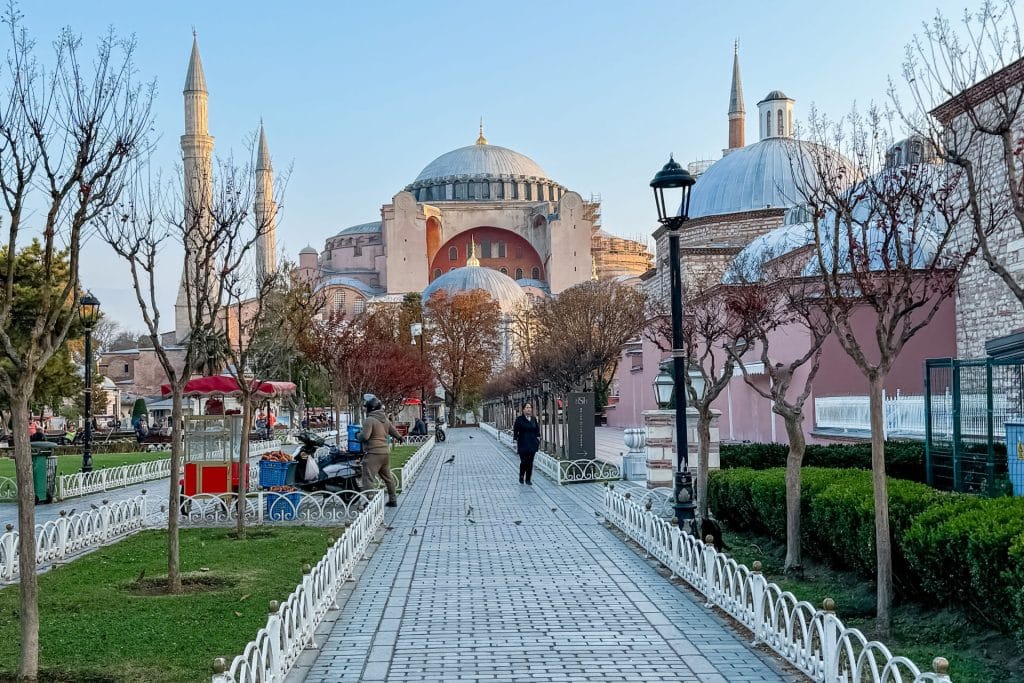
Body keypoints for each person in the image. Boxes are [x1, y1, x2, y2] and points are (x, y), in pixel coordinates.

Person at [357, 394, 404, 507]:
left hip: (373, 453)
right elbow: (393, 430)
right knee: (388, 478)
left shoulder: (369, 420)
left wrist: (358, 435)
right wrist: (400, 437)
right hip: (385, 453)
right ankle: (393, 500)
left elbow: (365, 436)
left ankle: (369, 503)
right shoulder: (385, 420)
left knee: (368, 478)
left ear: (369, 408)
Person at [513, 402, 541, 485]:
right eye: (527, 407)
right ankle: (521, 475)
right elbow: (515, 431)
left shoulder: (533, 419)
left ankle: (528, 479)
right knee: (524, 461)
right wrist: (515, 441)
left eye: (530, 407)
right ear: (523, 409)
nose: (529, 409)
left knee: (530, 462)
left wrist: (538, 439)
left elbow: (537, 430)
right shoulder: (519, 419)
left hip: (532, 443)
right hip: (523, 443)